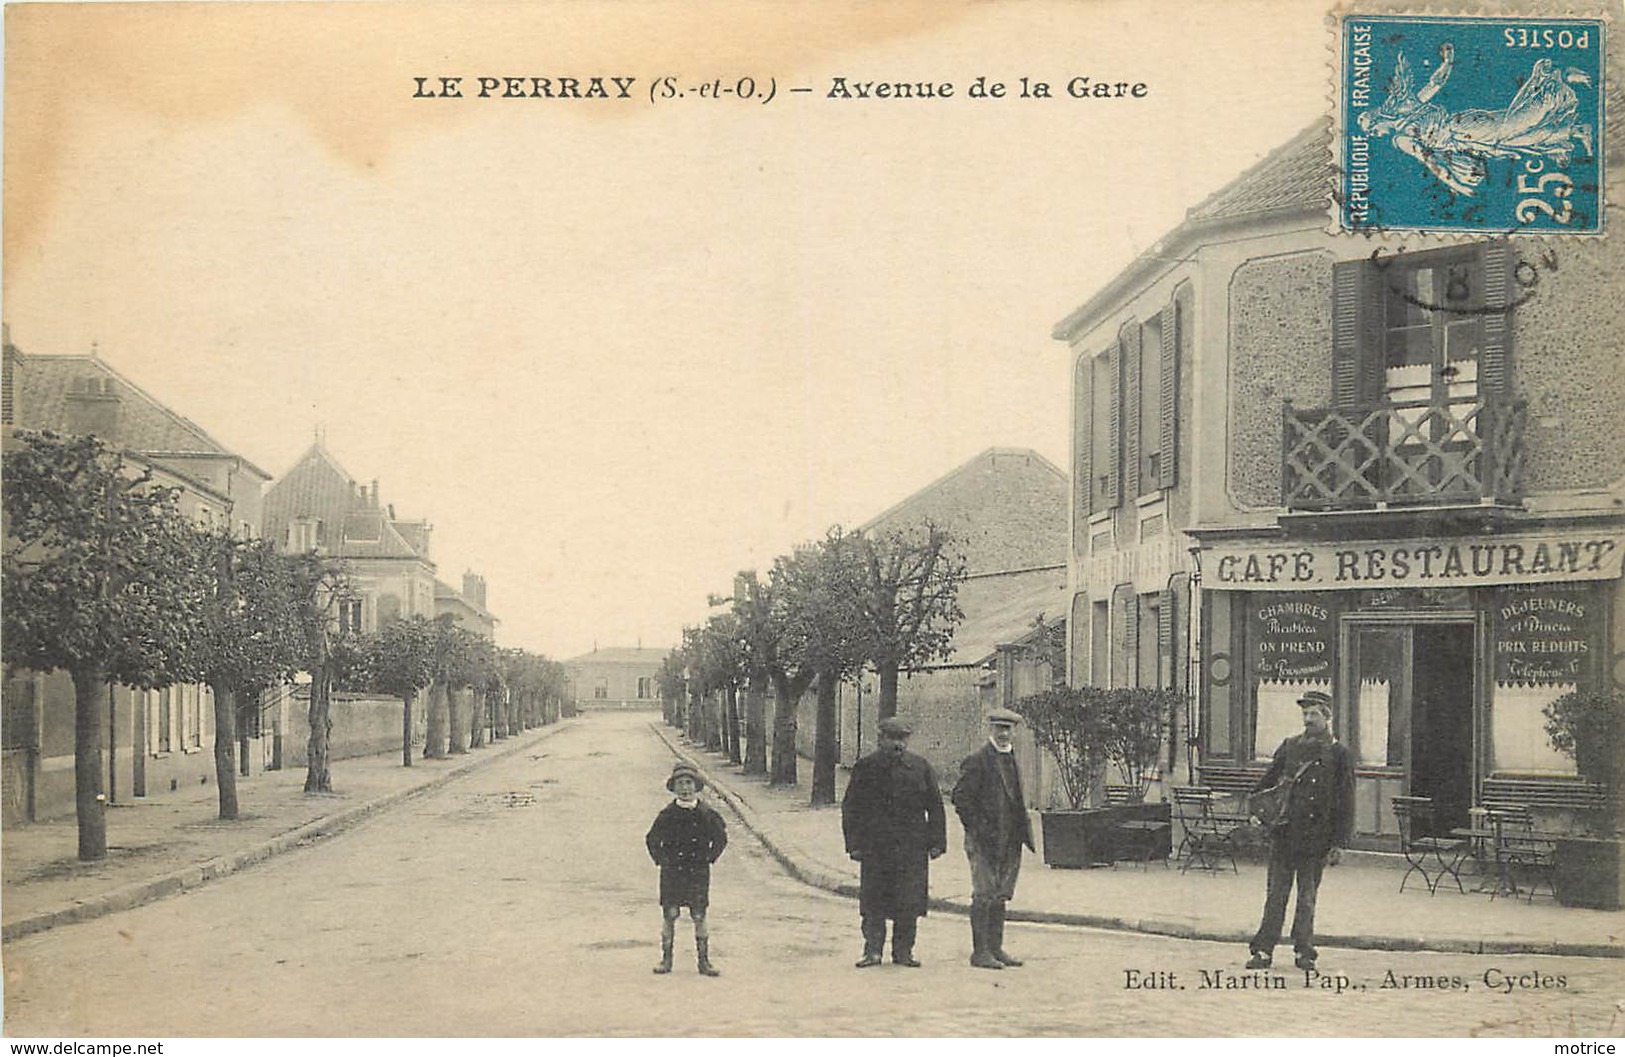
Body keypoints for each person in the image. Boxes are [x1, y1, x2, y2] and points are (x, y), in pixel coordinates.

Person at [1246, 689, 1355, 972]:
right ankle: (1263, 951)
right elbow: (1267, 781)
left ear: (1327, 717)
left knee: (1307, 898)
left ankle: (1304, 952)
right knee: (1275, 895)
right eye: (1305, 713)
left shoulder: (1339, 754)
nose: (1307, 719)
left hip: (1316, 839)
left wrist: (1340, 842)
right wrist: (1255, 810)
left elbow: (1347, 800)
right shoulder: (1290, 746)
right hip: (1284, 834)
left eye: (1314, 714)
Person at [841, 715, 947, 968]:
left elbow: (935, 806)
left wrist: (937, 842)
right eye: (892, 739)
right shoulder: (866, 767)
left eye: (902, 739)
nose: (898, 744)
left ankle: (903, 952)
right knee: (873, 902)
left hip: (912, 848)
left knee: (908, 903)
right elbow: (851, 807)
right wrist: (853, 844)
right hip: (876, 847)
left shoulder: (920, 767)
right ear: (881, 739)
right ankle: (873, 951)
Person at [951, 707, 1035, 970]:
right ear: (990, 729)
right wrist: (978, 830)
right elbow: (961, 799)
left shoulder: (1011, 757)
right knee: (984, 893)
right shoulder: (977, 760)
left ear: (1014, 732)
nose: (1003, 733)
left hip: (1010, 839)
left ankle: (996, 948)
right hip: (984, 840)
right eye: (999, 728)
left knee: (1000, 895)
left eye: (1008, 729)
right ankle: (980, 952)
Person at [645, 761, 728, 976]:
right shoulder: (667, 814)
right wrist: (661, 860)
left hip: (697, 872)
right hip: (672, 872)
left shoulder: (706, 813)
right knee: (670, 914)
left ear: (696, 786)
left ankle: (704, 961)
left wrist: (709, 858)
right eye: (680, 784)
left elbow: (720, 838)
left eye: (689, 783)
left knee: (699, 915)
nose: (685, 788)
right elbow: (652, 839)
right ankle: (666, 959)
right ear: (673, 788)